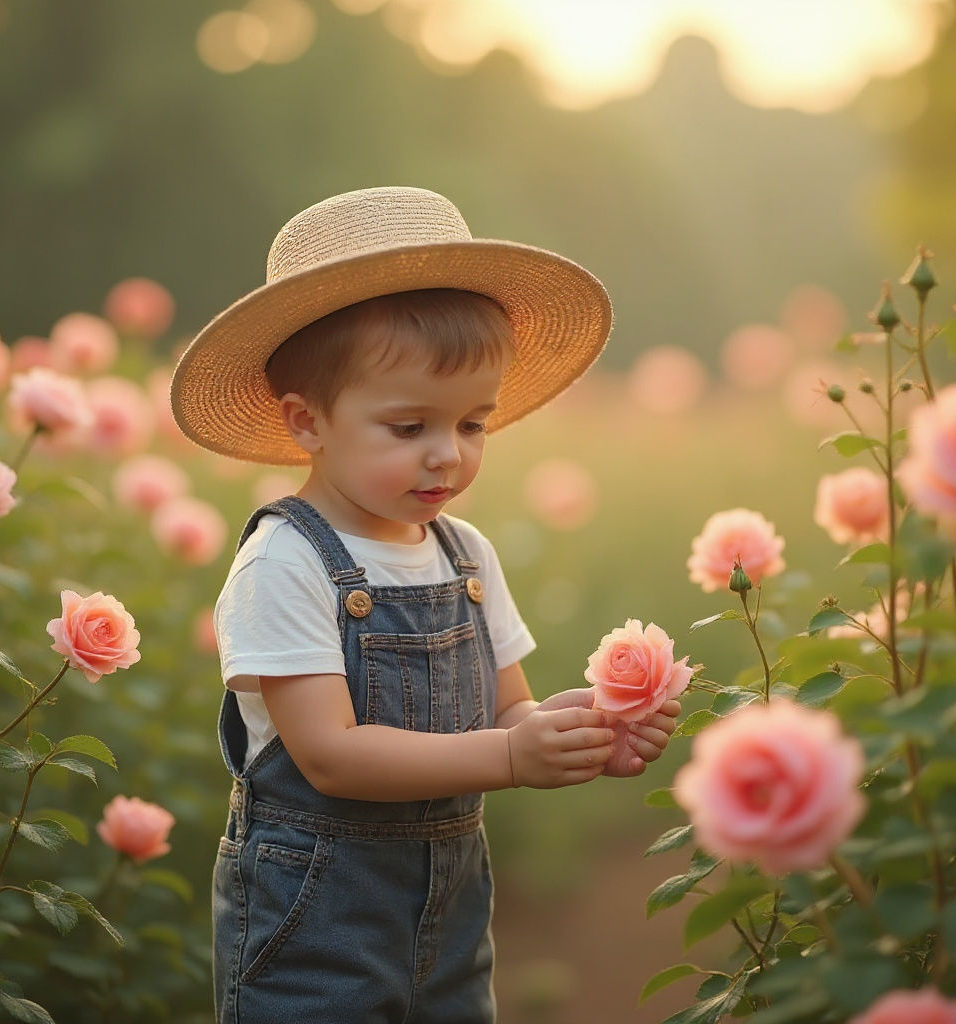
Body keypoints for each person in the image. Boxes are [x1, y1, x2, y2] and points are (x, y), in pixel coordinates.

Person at [170, 186, 680, 1024]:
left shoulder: (463, 552)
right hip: (313, 922)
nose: (447, 455)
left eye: (473, 424)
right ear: (307, 422)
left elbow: (505, 710)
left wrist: (578, 729)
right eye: (409, 428)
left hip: (450, 911)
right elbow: (332, 755)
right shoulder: (286, 562)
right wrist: (511, 762)